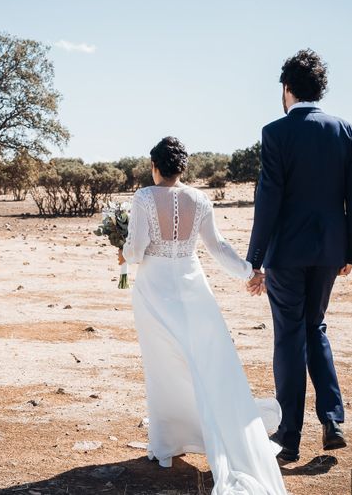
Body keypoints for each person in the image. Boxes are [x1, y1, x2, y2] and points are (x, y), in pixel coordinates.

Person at [118, 136, 288, 495]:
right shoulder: (200, 198)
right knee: (206, 365)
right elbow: (218, 248)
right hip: (194, 291)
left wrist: (121, 252)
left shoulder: (144, 197)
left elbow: (136, 251)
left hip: (155, 292)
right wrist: (249, 272)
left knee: (163, 367)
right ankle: (201, 434)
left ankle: (166, 443)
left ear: (154, 167)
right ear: (182, 169)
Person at [245, 49, 352, 463]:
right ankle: (332, 420)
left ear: (287, 89)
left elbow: (269, 199)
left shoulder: (275, 133)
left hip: (287, 254)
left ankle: (289, 437)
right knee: (315, 327)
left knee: (289, 336)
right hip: (331, 252)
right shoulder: (346, 131)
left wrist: (255, 257)